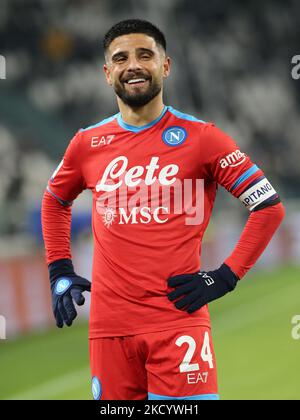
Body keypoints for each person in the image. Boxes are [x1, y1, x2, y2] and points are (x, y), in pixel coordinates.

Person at [41, 19, 285, 400]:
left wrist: (225, 276)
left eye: (145, 55)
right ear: (107, 74)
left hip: (178, 323)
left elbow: (268, 207)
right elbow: (55, 200)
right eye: (120, 58)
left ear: (165, 66)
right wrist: (59, 269)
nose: (133, 65)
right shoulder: (87, 143)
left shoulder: (203, 138)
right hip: (110, 330)